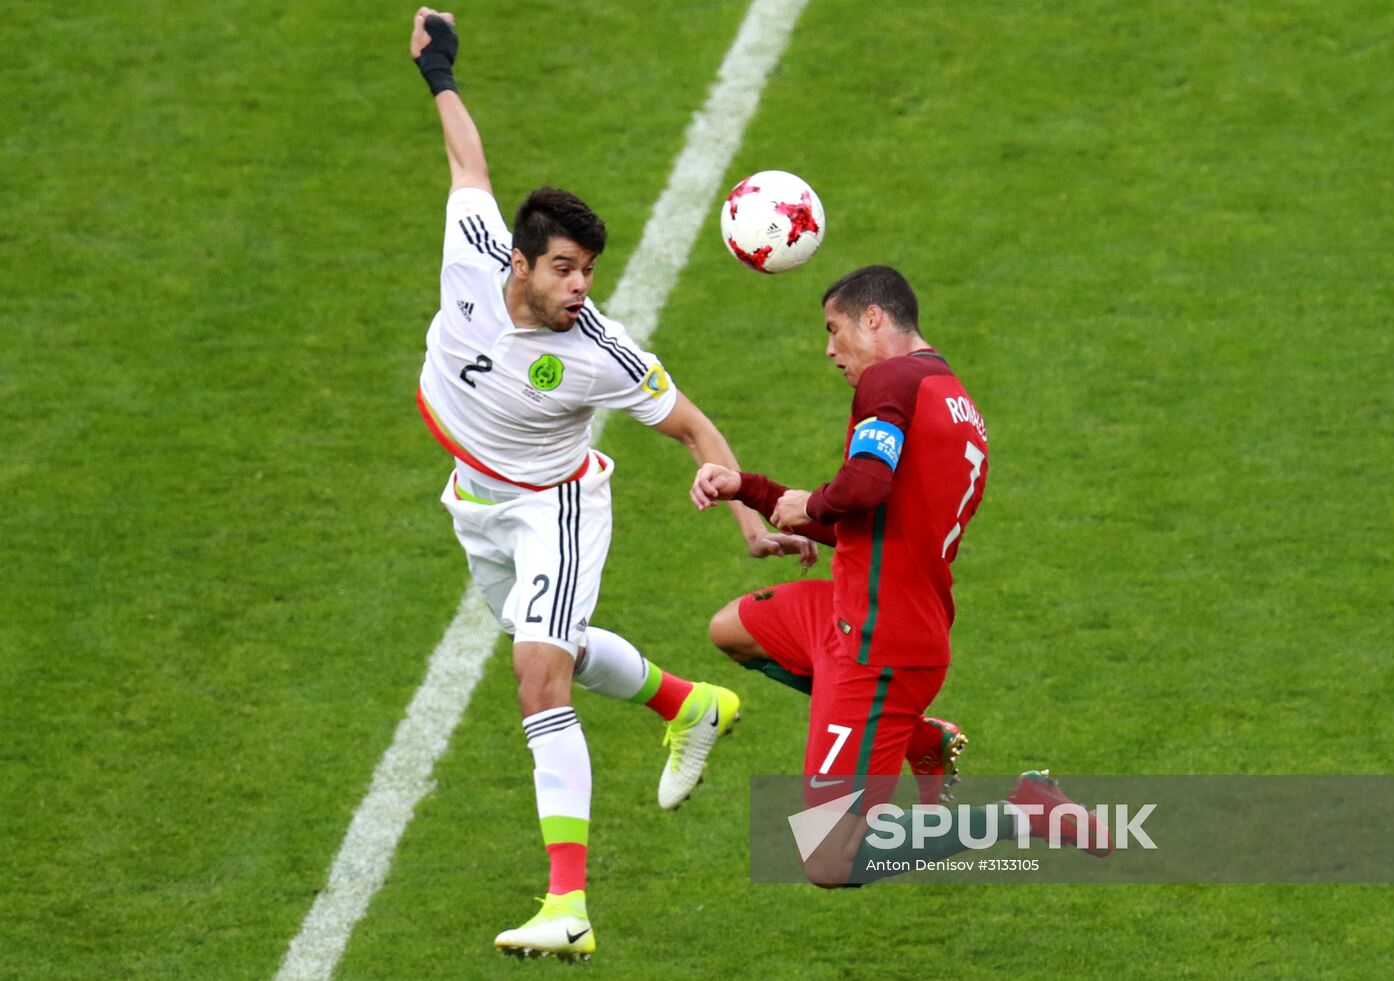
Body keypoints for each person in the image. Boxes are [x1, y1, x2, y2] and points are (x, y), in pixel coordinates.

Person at [407, 8, 814, 959]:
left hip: (556, 506)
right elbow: (469, 169)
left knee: (536, 674)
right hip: (476, 500)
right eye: (562, 268)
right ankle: (690, 704)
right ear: (519, 260)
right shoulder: (471, 250)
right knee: (561, 647)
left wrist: (748, 516)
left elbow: (691, 425)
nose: (579, 286)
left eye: (588, 270)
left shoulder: (599, 352)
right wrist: (439, 72)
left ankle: (568, 904)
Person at [694, 265, 1109, 886]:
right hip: (859, 611)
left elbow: (863, 486)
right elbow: (871, 520)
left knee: (830, 861)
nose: (829, 350)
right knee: (732, 629)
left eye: (834, 331)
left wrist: (814, 503)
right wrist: (752, 489)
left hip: (878, 646)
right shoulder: (952, 399)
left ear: (874, 318)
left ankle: (1024, 812)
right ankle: (919, 737)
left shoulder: (890, 378)